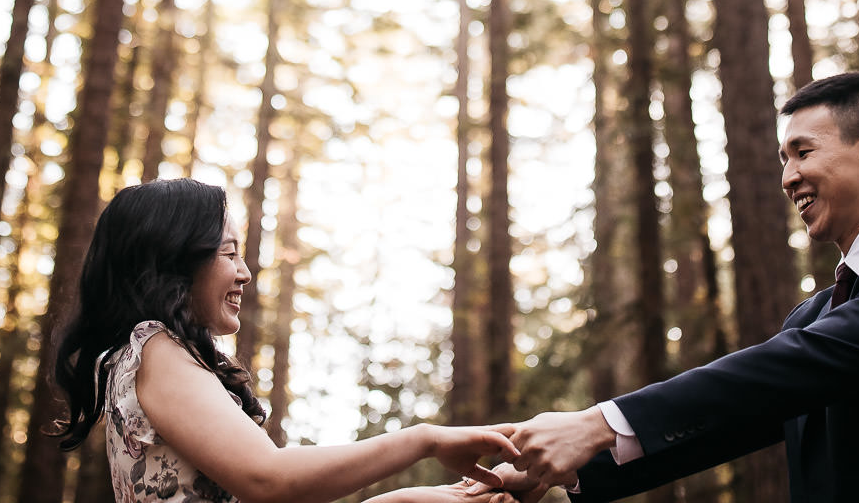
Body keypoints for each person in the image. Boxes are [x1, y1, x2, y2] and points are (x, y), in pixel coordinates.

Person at [493, 72, 859, 503]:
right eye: (783, 159)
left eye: (803, 152)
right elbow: (731, 423)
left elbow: (803, 361)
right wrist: (562, 479)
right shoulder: (812, 315)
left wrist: (599, 423)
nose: (787, 177)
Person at [52, 176, 518, 503]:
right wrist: (426, 440)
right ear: (174, 258)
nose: (244, 272)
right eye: (229, 252)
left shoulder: (151, 358)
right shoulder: (155, 350)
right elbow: (270, 480)